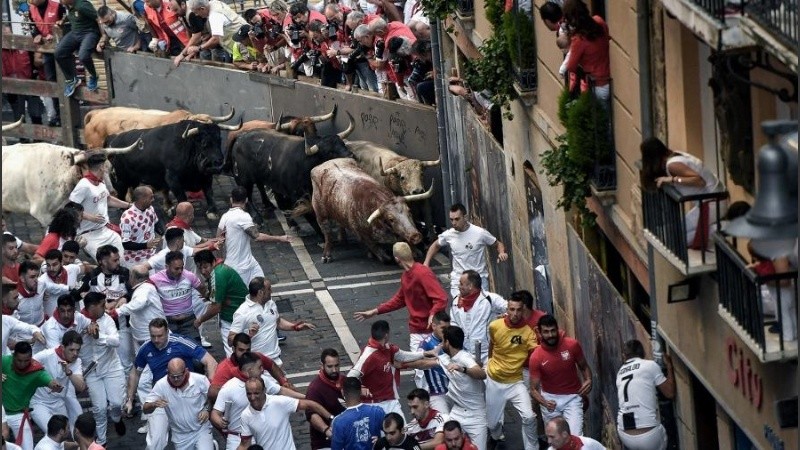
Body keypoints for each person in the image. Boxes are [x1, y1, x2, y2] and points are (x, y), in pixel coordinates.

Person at [355, 241, 448, 388]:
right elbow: (399, 299)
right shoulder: (406, 276)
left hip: (433, 331)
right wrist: (375, 311)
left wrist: (432, 314)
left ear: (397, 258)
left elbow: (441, 298)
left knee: (434, 363)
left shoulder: (423, 273)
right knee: (420, 369)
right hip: (417, 330)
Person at [125, 318, 217, 450]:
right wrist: (129, 399)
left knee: (197, 430)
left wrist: (211, 392)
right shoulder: (146, 348)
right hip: (162, 397)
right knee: (155, 441)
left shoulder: (182, 342)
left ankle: (206, 443)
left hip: (187, 393)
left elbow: (211, 361)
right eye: (153, 336)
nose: (156, 340)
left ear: (167, 332)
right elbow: (135, 373)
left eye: (160, 336)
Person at [640, 137, 725, 248]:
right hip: (712, 200)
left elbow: (699, 181)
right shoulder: (675, 155)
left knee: (676, 240)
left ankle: (722, 227)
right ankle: (714, 228)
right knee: (674, 234)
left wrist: (673, 180)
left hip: (714, 203)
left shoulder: (672, 165)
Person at [211, 352, 304, 450]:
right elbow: (215, 413)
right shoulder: (229, 388)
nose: (263, 370)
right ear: (250, 370)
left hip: (259, 436)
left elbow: (281, 390)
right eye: (259, 367)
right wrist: (219, 421)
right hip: (236, 438)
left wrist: (306, 397)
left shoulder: (262, 381)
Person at [347, 320, 434, 417]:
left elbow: (403, 356)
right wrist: (360, 388)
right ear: (386, 335)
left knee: (402, 429)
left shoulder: (388, 348)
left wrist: (424, 353)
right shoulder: (368, 355)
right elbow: (350, 376)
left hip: (391, 401)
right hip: (373, 404)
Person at [485, 295, 538, 449]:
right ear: (507, 309)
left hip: (516, 382)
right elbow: (492, 345)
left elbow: (536, 354)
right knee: (492, 423)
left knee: (529, 417)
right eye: (512, 309)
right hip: (495, 381)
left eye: (518, 310)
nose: (515, 313)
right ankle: (496, 436)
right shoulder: (494, 326)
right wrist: (489, 362)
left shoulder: (529, 333)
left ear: (523, 311)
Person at [423, 203, 508, 298]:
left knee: (480, 311)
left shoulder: (480, 233)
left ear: (465, 217)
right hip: (458, 280)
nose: (454, 223)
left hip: (478, 279)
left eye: (457, 219)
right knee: (461, 310)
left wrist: (501, 252)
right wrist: (426, 263)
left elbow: (497, 244)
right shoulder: (449, 235)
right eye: (451, 219)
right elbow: (435, 245)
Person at [529, 314, 592, 436]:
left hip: (573, 398)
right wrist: (544, 402)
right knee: (556, 440)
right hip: (550, 401)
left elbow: (584, 366)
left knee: (575, 436)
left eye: (553, 330)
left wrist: (589, 379)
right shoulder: (536, 357)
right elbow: (533, 389)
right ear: (540, 333)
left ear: (557, 329)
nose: (550, 335)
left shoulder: (572, 345)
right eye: (546, 332)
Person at [228, 277, 315, 366]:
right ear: (260, 293)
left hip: (275, 359)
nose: (271, 291)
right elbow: (230, 340)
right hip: (256, 363)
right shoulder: (242, 312)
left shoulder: (271, 304)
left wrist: (295, 327)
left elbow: (277, 322)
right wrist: (248, 335)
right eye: (269, 289)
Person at [78, 292, 126, 445]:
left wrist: (100, 336)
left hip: (111, 367)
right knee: (99, 409)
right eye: (102, 305)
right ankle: (102, 442)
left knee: (117, 403)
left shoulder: (108, 320)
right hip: (91, 372)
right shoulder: (79, 321)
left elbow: (116, 341)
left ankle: (117, 419)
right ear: (92, 307)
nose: (105, 307)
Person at [217, 187, 291, 284]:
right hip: (240, 268)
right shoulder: (244, 216)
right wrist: (280, 238)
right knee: (250, 295)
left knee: (263, 288)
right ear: (246, 200)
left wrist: (219, 260)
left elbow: (218, 241)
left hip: (247, 263)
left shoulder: (224, 217)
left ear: (231, 199)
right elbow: (257, 237)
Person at [237, 376, 333, 450]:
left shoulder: (279, 402)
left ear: (264, 391)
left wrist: (332, 418)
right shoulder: (246, 415)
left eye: (256, 393)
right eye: (249, 394)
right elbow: (245, 444)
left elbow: (309, 404)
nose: (252, 398)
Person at [2, 342, 63, 450]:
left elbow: (50, 381)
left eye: (26, 361)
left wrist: (55, 386)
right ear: (13, 356)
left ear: (31, 357)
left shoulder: (37, 371)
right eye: (19, 360)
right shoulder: (5, 361)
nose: (22, 364)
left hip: (19, 415)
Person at [143, 358, 214, 450]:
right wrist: (153, 404)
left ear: (186, 371)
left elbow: (212, 397)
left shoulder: (199, 380)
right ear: (167, 372)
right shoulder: (161, 385)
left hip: (201, 429)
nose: (176, 380)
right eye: (172, 376)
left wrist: (207, 410)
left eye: (179, 376)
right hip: (180, 435)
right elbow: (145, 409)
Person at [68, 153, 129, 260]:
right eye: (106, 166)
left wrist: (128, 205)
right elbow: (71, 208)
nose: (107, 169)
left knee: (123, 259)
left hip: (105, 230)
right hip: (88, 235)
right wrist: (91, 217)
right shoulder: (84, 185)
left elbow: (108, 199)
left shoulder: (101, 183)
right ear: (102, 167)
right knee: (106, 263)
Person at [616, 340, 674, 450]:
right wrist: (670, 366)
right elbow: (670, 393)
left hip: (625, 435)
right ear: (643, 353)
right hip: (650, 437)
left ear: (624, 356)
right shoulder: (650, 365)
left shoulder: (620, 373)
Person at [208, 333, 292, 403]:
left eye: (247, 350)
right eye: (241, 350)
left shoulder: (256, 357)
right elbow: (213, 392)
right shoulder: (224, 368)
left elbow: (272, 366)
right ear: (233, 349)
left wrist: (283, 381)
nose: (245, 354)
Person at [194, 249, 248, 357]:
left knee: (234, 356)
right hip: (239, 315)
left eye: (205, 267)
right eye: (200, 268)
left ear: (213, 263)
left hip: (232, 319)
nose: (203, 271)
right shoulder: (220, 270)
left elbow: (215, 308)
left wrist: (199, 320)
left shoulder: (218, 275)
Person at [30, 331, 86, 433]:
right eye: (72, 350)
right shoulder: (46, 355)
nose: (75, 354)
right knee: (54, 433)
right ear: (63, 347)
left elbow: (81, 387)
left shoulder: (77, 362)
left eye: (78, 350)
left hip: (58, 402)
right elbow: (25, 366)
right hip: (39, 403)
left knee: (64, 435)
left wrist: (69, 372)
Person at [448, 270, 507, 364]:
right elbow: (453, 323)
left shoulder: (490, 298)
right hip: (464, 352)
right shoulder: (456, 301)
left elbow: (509, 308)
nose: (459, 287)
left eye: (461, 284)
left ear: (470, 286)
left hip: (486, 352)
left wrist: (504, 318)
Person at [150, 251, 207, 341]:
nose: (180, 271)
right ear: (167, 267)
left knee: (195, 350)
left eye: (182, 268)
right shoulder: (156, 279)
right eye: (176, 269)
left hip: (189, 322)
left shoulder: (189, 276)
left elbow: (202, 288)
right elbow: (142, 287)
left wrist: (206, 298)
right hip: (168, 323)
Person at [28, 0, 67, 126]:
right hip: (46, 49)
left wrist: (55, 32)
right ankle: (57, 116)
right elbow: (32, 25)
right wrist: (36, 35)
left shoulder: (57, 6)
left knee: (66, 79)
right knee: (51, 81)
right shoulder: (31, 9)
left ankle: (66, 116)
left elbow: (67, 24)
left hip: (61, 47)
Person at [562, 0, 610, 101]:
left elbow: (571, 66)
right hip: (608, 79)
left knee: (599, 115)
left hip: (596, 85)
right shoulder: (599, 21)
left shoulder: (579, 40)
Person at [176, 0, 247, 66]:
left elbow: (215, 39)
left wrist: (198, 48)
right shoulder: (214, 2)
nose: (196, 15)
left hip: (243, 45)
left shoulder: (214, 15)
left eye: (196, 12)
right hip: (237, 42)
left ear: (202, 8)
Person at [55, 0, 101, 96]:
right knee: (59, 52)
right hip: (75, 32)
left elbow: (98, 18)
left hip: (89, 32)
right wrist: (63, 21)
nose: (60, 1)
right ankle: (71, 79)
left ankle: (93, 75)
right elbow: (69, 15)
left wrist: (104, 36)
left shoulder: (82, 5)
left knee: (83, 56)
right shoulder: (68, 6)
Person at [304, 348, 346, 450]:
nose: (334, 370)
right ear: (322, 366)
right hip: (325, 443)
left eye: (337, 366)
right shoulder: (315, 388)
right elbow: (312, 415)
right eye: (330, 367)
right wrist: (326, 429)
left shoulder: (344, 381)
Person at [115, 266, 165, 349]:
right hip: (143, 336)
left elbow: (138, 303)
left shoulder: (145, 289)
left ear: (132, 277)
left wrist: (117, 312)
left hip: (152, 337)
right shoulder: (144, 287)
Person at [330, 377, 385, 450]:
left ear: (343, 392)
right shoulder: (377, 411)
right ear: (360, 391)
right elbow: (394, 434)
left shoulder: (338, 422)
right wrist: (382, 441)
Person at [16, 260, 71, 327]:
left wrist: (69, 288)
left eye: (37, 276)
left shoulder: (41, 285)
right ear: (22, 279)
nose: (36, 280)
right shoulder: (14, 296)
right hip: (22, 334)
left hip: (42, 327)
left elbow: (53, 287)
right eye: (32, 277)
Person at [416, 311, 451, 414]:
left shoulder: (452, 338)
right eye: (443, 328)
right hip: (437, 394)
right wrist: (438, 361)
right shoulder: (426, 344)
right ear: (434, 326)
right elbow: (418, 363)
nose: (446, 332)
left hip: (455, 392)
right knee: (443, 422)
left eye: (448, 328)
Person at [119, 186, 163, 268]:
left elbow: (156, 222)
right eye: (151, 197)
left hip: (151, 257)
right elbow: (126, 244)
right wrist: (146, 245)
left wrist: (163, 234)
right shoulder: (127, 218)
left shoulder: (150, 209)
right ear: (142, 199)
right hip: (135, 261)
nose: (153, 200)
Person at [40, 250, 86, 318]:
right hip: (52, 323)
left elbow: (87, 269)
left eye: (54, 264)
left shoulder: (72, 268)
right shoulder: (41, 280)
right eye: (48, 265)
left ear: (61, 262)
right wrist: (41, 297)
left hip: (73, 318)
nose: (51, 268)